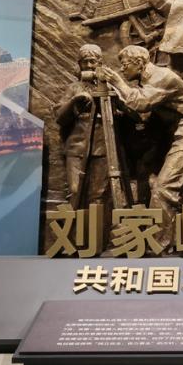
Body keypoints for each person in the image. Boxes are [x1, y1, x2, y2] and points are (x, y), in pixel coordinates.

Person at [99, 45, 183, 248]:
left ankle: (160, 244)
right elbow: (140, 110)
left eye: (125, 65)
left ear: (139, 63)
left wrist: (117, 82)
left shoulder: (161, 77)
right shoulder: (148, 80)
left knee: (163, 189)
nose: (122, 69)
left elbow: (141, 103)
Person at [53, 44, 127, 242]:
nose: (88, 65)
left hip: (103, 149)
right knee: (75, 191)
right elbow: (59, 117)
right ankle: (71, 238)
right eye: (84, 62)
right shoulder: (74, 88)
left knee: (98, 195)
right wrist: (74, 101)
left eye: (92, 61)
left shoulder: (110, 88)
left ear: (100, 63)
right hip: (77, 148)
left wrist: (116, 98)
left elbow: (130, 112)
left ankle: (96, 240)